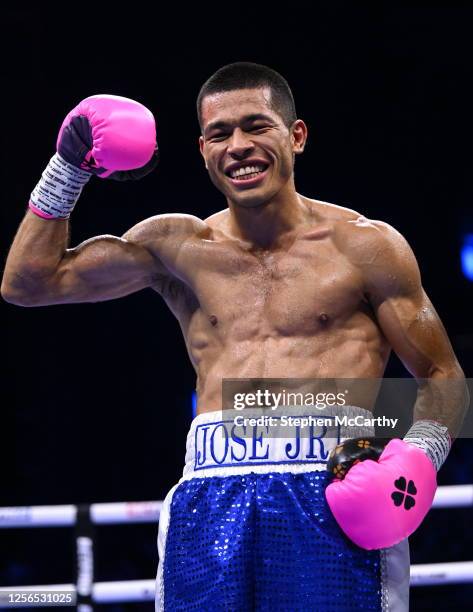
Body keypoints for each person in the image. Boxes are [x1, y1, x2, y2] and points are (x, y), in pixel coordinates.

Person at [1, 63, 468, 611]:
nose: (238, 146)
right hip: (208, 498)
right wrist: (68, 168)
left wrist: (417, 459)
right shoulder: (175, 246)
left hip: (332, 492)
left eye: (256, 126)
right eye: (220, 134)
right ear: (202, 149)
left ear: (296, 136)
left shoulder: (366, 247)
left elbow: (444, 375)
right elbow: (28, 283)